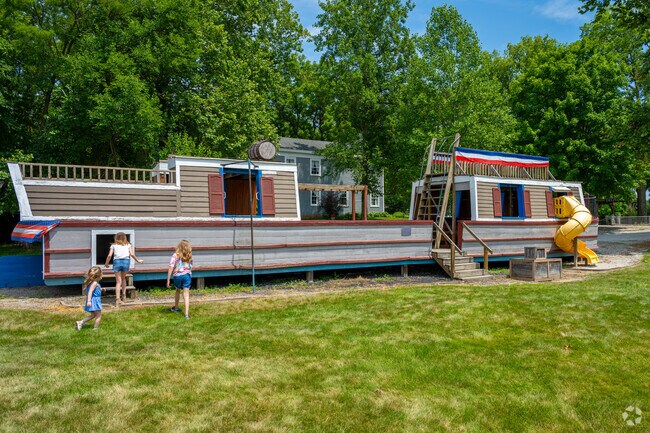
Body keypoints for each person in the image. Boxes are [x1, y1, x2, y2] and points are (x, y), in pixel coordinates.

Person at [104, 232, 143, 306]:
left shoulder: (113, 245)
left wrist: (106, 263)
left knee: (118, 282)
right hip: (126, 261)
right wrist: (137, 260)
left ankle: (117, 299)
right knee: (123, 279)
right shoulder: (128, 245)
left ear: (116, 238)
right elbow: (131, 254)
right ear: (125, 238)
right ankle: (124, 296)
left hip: (117, 262)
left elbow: (109, 255)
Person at [167, 239, 193, 319]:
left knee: (177, 290)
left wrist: (168, 280)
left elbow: (171, 267)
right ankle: (186, 315)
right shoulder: (189, 255)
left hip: (177, 276)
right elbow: (191, 267)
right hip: (187, 275)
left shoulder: (175, 255)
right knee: (186, 294)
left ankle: (176, 307)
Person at [76, 266, 104, 331]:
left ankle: (81, 322)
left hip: (93, 300)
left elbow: (94, 290)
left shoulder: (93, 283)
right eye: (102, 274)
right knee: (98, 315)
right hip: (94, 301)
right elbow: (90, 292)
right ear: (98, 276)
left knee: (93, 315)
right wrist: (89, 301)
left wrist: (101, 289)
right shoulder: (94, 283)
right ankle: (95, 329)